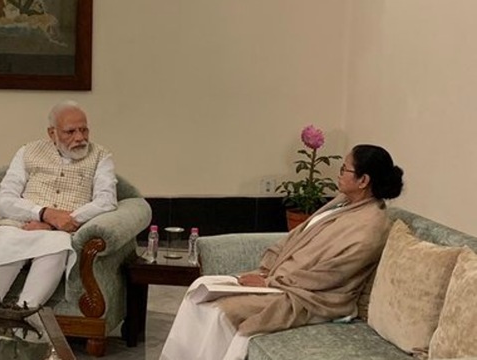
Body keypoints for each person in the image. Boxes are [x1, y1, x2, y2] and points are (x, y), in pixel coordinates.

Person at [160, 144, 404, 360]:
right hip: (279, 280)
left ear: (363, 181)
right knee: (198, 290)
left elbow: (329, 276)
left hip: (310, 297)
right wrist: (268, 269)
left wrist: (270, 281)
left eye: (344, 169)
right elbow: (296, 237)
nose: (338, 174)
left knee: (221, 313)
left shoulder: (372, 226)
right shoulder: (343, 203)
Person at [0, 100, 118, 308]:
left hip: (62, 232)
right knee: (6, 243)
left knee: (56, 249)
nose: (80, 138)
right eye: (70, 132)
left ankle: (25, 317)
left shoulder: (101, 156)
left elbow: (106, 201)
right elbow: (4, 201)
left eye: (84, 130)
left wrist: (56, 223)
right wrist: (43, 213)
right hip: (20, 226)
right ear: (52, 133)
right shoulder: (27, 152)